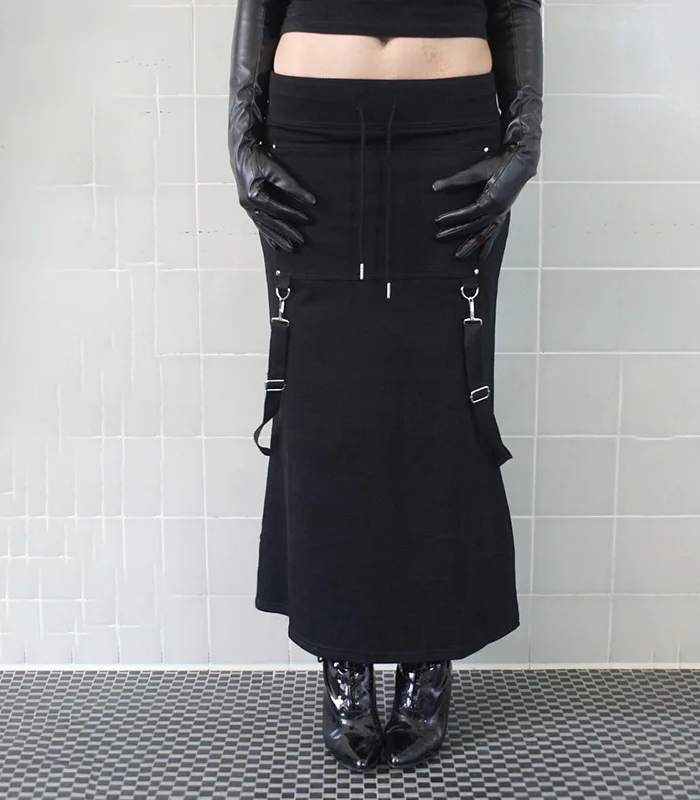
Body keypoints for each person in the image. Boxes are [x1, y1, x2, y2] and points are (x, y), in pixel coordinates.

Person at [227, 0, 543, 772]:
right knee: (322, 403)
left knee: (443, 400)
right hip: (310, 134)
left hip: (452, 130)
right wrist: (240, 138)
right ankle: (341, 657)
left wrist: (524, 143)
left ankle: (428, 657)